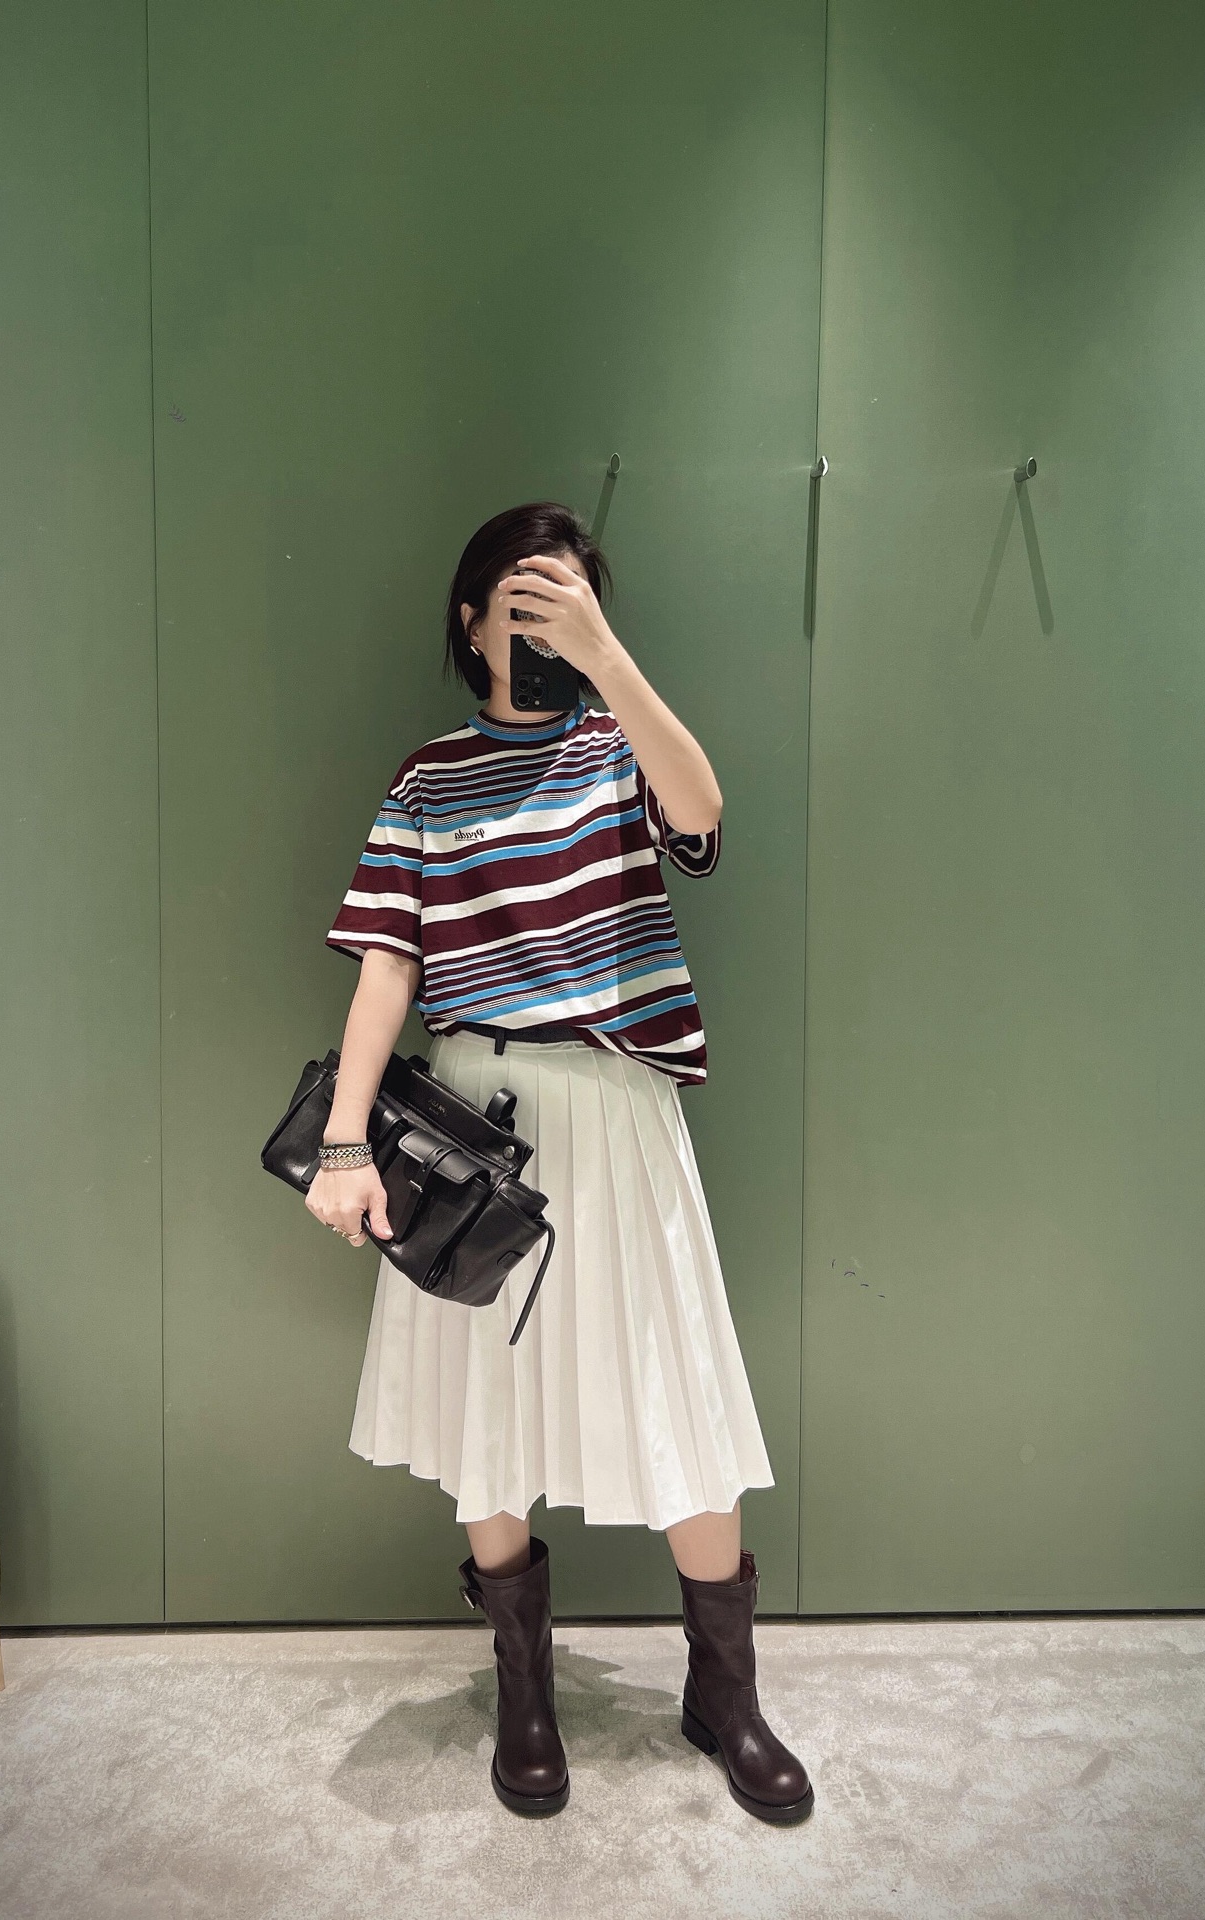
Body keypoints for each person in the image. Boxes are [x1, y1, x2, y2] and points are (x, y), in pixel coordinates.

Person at [310, 501, 813, 1825]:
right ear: (470, 620)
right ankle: (523, 1692)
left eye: (568, 601)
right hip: (471, 1127)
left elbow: (701, 814)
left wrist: (608, 660)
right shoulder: (429, 779)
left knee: (683, 1396)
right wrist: (346, 1142)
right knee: (489, 1408)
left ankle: (726, 1697)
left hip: (620, 1111)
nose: (542, 626)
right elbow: (387, 965)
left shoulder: (618, 743)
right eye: (522, 603)